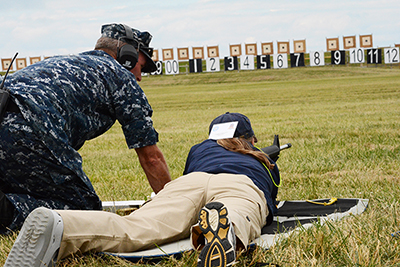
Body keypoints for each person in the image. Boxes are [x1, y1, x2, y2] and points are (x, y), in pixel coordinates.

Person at [4, 112, 280, 267]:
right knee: (240, 215)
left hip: (189, 183)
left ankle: (64, 226)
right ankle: (223, 231)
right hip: (240, 184)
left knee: (135, 227)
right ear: (250, 138)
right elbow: (269, 197)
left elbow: (192, 176)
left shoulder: (200, 149)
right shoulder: (262, 158)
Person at [0, 23, 171, 235]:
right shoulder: (120, 76)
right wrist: (173, 206)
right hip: (27, 126)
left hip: (13, 118)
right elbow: (151, 158)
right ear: (130, 56)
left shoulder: (65, 62)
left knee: (19, 186)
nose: (140, 77)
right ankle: (6, 212)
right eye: (142, 67)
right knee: (84, 213)